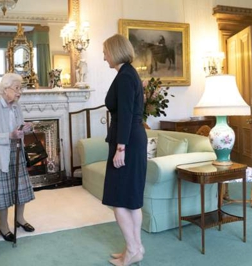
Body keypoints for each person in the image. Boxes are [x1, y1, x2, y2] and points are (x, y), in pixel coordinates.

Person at [102, 34, 147, 266]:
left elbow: (127, 114)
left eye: (105, 52)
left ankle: (132, 250)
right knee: (130, 199)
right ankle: (135, 247)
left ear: (114, 51)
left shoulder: (125, 76)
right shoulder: (128, 73)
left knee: (119, 199)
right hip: (131, 141)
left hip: (127, 143)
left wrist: (121, 148)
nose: (103, 56)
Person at [0, 73, 35, 242]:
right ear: (5, 89)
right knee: (3, 193)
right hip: (0, 155)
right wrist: (9, 136)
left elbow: (17, 127)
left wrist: (25, 128)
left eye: (21, 88)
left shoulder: (16, 106)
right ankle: (3, 225)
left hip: (17, 150)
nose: (20, 92)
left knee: (21, 189)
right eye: (17, 88)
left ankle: (20, 219)